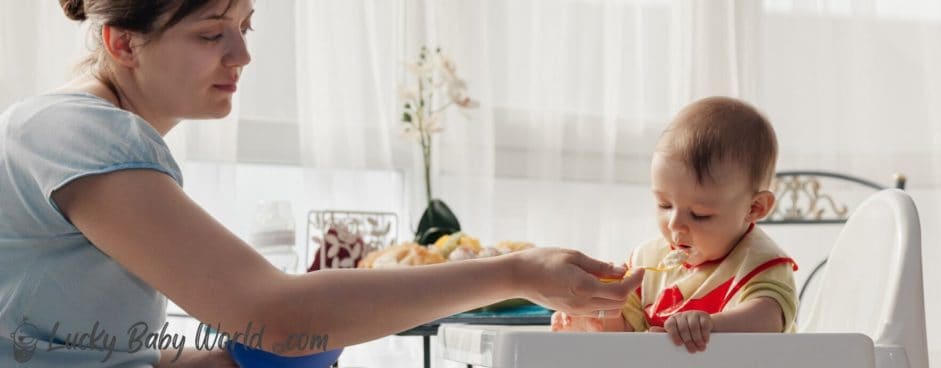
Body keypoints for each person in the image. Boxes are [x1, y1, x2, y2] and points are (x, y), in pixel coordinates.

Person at [0, 0, 644, 366]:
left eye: (245, 27)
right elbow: (275, 316)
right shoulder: (82, 134)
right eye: (210, 34)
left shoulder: (75, 131)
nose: (242, 55)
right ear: (123, 44)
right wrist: (515, 272)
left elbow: (55, 341)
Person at [551, 97, 798, 354]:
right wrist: (598, 318)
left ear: (754, 208)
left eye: (700, 215)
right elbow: (628, 331)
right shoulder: (648, 261)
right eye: (664, 205)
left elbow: (769, 318)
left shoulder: (762, 261)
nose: (675, 224)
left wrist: (710, 325)